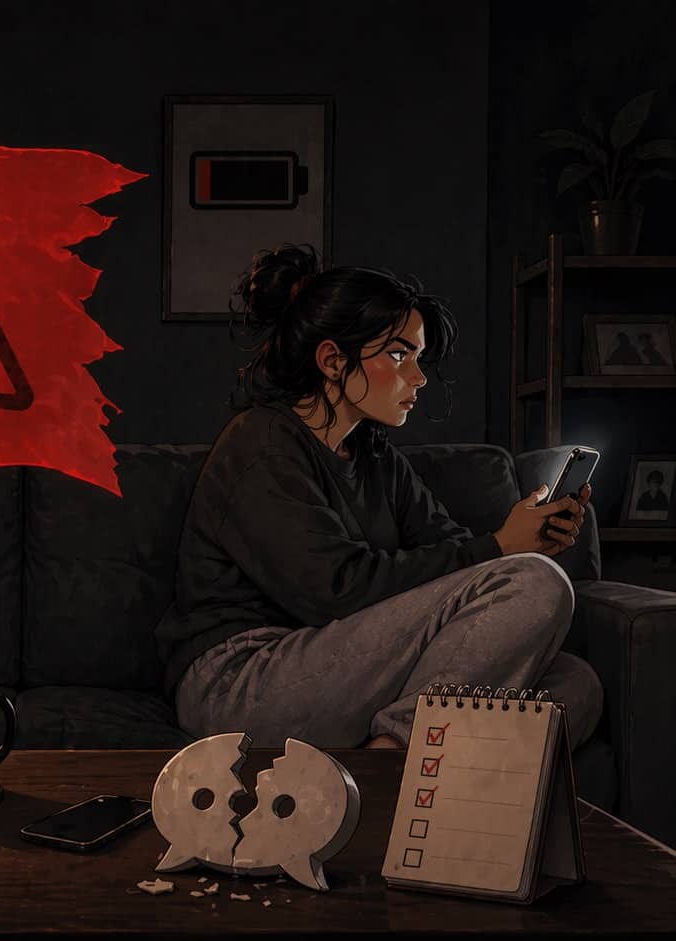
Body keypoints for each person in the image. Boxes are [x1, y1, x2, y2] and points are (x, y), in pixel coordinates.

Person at [158, 244, 603, 751]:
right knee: (535, 584)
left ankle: (408, 754)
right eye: (397, 354)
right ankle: (395, 763)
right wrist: (504, 551)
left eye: (417, 357)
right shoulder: (260, 443)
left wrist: (527, 538)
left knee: (575, 685)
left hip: (348, 667)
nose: (418, 377)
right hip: (241, 680)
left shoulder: (374, 455)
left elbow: (457, 563)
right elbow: (336, 591)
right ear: (331, 360)